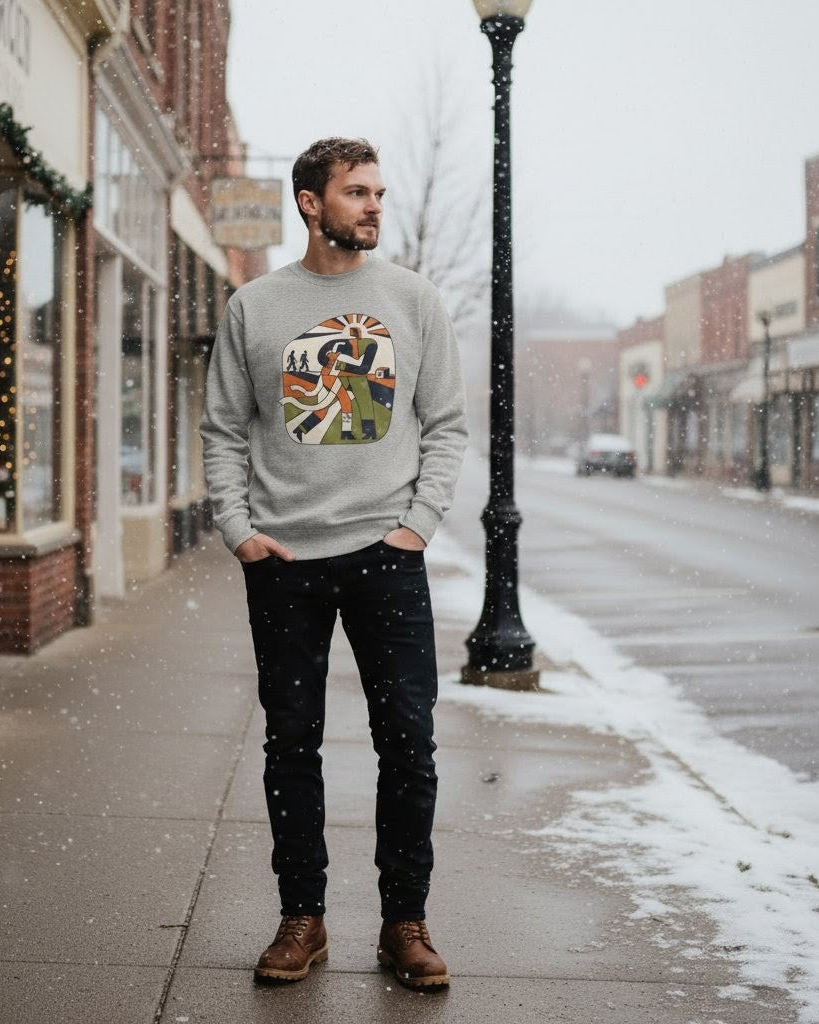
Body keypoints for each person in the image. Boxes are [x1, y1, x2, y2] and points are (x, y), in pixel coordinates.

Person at [199, 137, 467, 990]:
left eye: (379, 192)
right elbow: (222, 430)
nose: (374, 206)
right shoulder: (256, 307)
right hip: (284, 560)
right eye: (357, 193)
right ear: (311, 203)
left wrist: (418, 525)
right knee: (292, 746)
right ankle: (301, 921)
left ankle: (405, 924)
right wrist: (240, 530)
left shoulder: (414, 302)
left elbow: (447, 425)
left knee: (410, 748)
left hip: (386, 557)